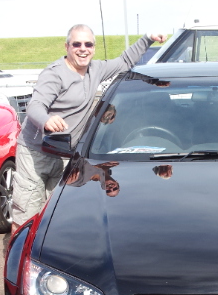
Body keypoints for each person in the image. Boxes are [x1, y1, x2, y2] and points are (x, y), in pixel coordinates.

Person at [11, 25, 167, 232]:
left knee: (54, 215)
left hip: (66, 154)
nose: (82, 49)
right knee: (26, 216)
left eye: (88, 44)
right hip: (36, 153)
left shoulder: (96, 69)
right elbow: (35, 105)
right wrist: (46, 120)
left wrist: (148, 38)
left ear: (93, 48)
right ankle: (18, 261)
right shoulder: (54, 74)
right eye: (77, 44)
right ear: (67, 46)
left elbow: (125, 61)